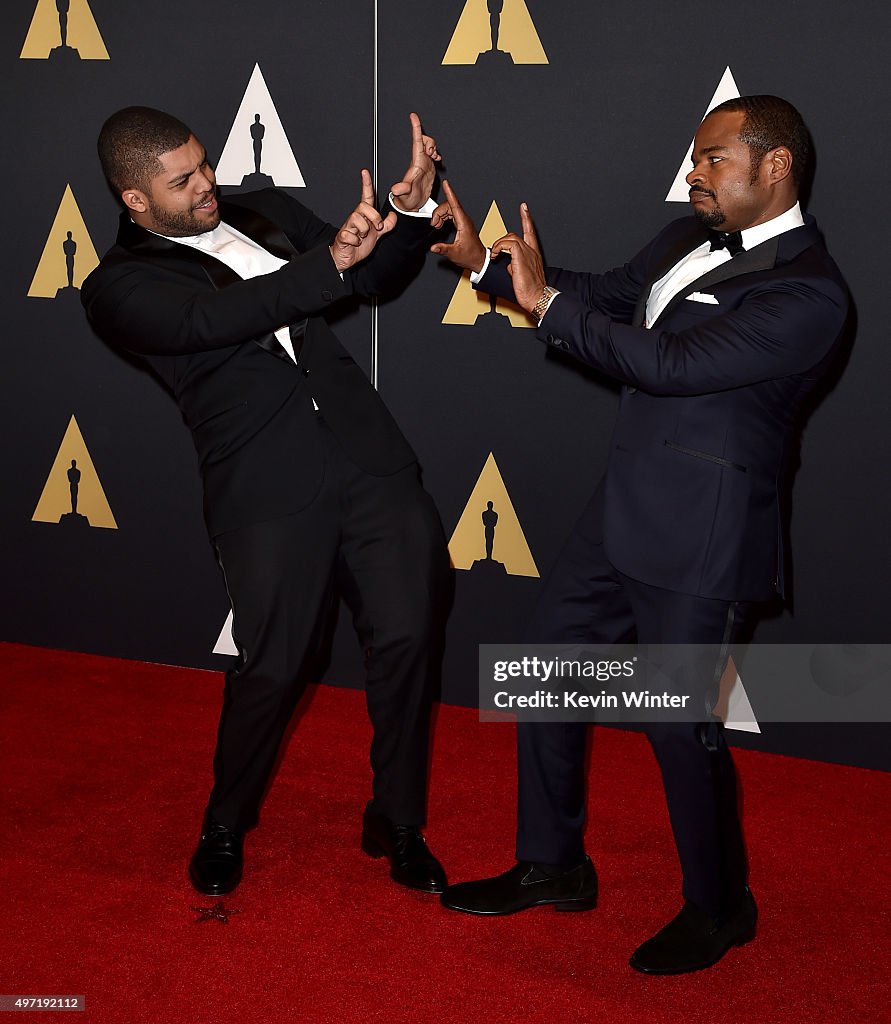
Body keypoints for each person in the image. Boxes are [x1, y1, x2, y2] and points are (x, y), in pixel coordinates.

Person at [430, 95, 850, 973]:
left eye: (712, 159)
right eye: (694, 158)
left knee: (675, 726)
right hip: (619, 508)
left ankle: (719, 904)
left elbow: (672, 365)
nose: (692, 173)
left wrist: (543, 304)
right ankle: (552, 866)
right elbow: (597, 299)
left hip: (703, 538)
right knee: (543, 673)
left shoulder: (809, 294)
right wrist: (483, 267)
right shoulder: (679, 237)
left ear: (774, 168)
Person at [82, 106, 453, 899]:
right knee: (275, 664)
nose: (206, 184)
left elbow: (374, 276)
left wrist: (409, 216)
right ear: (135, 200)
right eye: (181, 181)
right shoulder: (118, 286)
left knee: (408, 639)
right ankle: (225, 820)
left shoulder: (269, 212)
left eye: (204, 164)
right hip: (265, 484)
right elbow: (224, 317)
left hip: (370, 459)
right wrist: (334, 260)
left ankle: (397, 817)